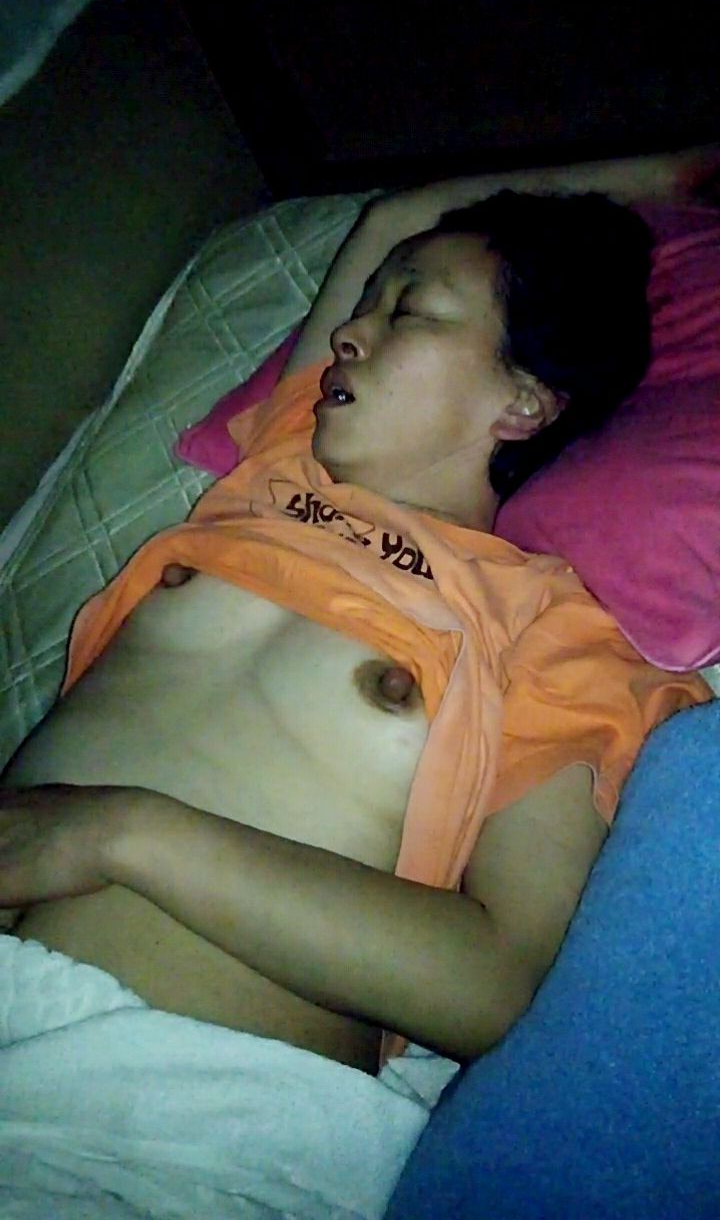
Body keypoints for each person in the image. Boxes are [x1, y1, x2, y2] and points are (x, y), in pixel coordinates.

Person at [0, 154, 712, 1219]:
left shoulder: (553, 635)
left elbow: (497, 982)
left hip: (168, 1114)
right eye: (366, 305)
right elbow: (396, 213)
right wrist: (679, 169)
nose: (347, 333)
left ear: (523, 401)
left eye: (408, 311)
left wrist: (117, 834)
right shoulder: (277, 473)